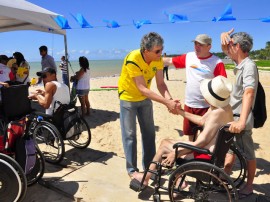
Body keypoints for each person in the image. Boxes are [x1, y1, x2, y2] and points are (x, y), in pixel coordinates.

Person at [131, 76, 233, 188]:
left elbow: (201, 142)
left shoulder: (216, 113)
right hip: (214, 153)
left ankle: (147, 179)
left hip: (204, 155)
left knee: (165, 145)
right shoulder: (224, 107)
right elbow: (202, 120)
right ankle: (177, 180)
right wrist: (180, 111)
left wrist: (176, 153)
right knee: (166, 143)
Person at [118, 32, 180, 178]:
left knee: (149, 133)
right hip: (128, 98)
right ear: (146, 51)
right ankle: (132, 171)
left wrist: (170, 100)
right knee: (130, 135)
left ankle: (149, 167)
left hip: (144, 99)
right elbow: (142, 88)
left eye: (162, 49)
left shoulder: (157, 60)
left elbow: (160, 83)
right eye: (157, 51)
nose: (161, 53)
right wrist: (166, 102)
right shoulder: (133, 58)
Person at [163, 34, 227, 141]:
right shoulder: (189, 56)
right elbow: (170, 61)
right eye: (195, 44)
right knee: (190, 136)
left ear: (209, 47)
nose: (197, 47)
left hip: (207, 107)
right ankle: (191, 155)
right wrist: (150, 59)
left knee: (205, 138)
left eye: (201, 45)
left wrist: (213, 108)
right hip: (190, 104)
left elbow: (222, 85)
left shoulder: (216, 62)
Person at [221, 29, 257, 198]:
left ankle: (249, 186)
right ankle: (224, 175)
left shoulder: (249, 66)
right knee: (229, 149)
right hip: (234, 116)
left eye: (231, 44)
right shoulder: (239, 64)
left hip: (241, 118)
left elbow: (249, 93)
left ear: (239, 47)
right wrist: (224, 40)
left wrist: (242, 121)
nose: (229, 47)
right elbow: (227, 52)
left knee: (247, 153)